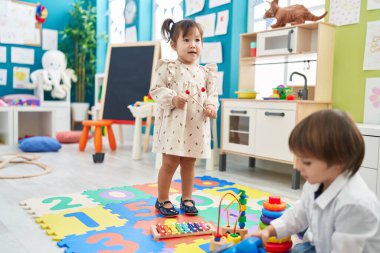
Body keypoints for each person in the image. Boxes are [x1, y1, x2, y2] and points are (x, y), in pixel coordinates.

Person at [252, 109, 380, 253]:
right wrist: (268, 231)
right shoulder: (316, 183)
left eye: (306, 162)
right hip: (319, 245)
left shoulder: (354, 205)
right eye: (297, 159)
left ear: (338, 162)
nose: (299, 167)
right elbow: (298, 215)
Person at [150, 18, 219, 217]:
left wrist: (211, 106)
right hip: (173, 126)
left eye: (197, 40)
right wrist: (173, 99)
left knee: (189, 164)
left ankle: (186, 197)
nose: (193, 45)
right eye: (186, 40)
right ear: (174, 45)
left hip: (195, 126)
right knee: (170, 163)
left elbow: (212, 94)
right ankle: (162, 199)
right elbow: (155, 90)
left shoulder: (206, 72)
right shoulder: (168, 67)